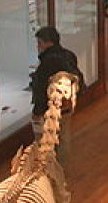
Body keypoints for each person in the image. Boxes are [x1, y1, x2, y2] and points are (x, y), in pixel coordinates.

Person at [30, 26, 84, 163]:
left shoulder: (47, 62)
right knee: (64, 137)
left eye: (40, 43)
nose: (38, 46)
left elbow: (41, 89)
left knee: (47, 141)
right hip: (66, 106)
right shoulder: (69, 55)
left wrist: (37, 111)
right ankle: (62, 172)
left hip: (51, 108)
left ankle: (53, 170)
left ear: (48, 43)